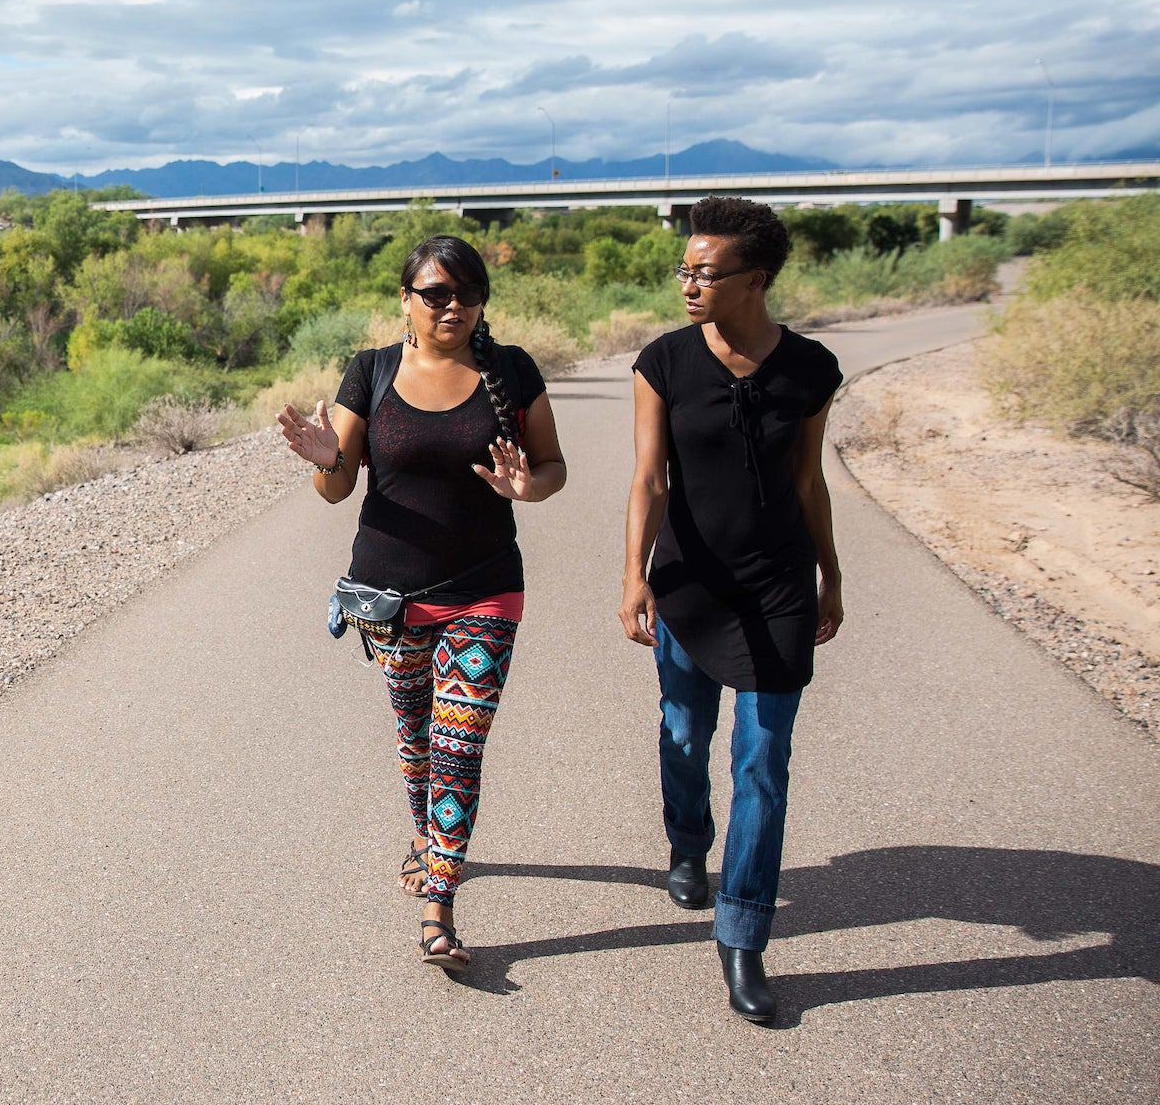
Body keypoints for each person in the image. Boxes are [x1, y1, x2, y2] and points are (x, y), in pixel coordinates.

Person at [278, 236, 567, 972]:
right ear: (405, 299)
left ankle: (440, 907)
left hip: (485, 591)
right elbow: (337, 489)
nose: (453, 306)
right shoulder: (371, 371)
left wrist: (526, 488)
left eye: (467, 293)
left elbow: (552, 468)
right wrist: (326, 459)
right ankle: (428, 839)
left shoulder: (511, 369)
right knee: (415, 741)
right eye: (435, 293)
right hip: (390, 597)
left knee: (458, 745)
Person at [620, 196, 844, 1026]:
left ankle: (743, 934)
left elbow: (809, 481)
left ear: (754, 279)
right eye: (684, 270)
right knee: (684, 733)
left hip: (779, 585)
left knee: (763, 760)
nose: (688, 284)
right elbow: (649, 480)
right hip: (688, 581)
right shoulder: (665, 362)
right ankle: (687, 840)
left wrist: (832, 573)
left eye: (704, 273)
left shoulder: (811, 369)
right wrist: (633, 574)